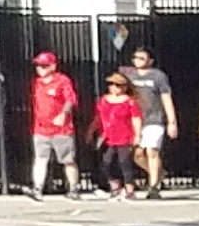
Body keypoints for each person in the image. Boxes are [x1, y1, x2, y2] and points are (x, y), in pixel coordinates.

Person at [29, 47, 83, 200]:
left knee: (68, 160)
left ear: (53, 66)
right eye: (38, 65)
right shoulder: (36, 83)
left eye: (44, 66)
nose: (40, 69)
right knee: (40, 159)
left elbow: (70, 100)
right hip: (40, 128)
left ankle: (73, 188)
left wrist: (63, 114)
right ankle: (37, 188)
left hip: (61, 130)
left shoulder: (62, 81)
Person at [126, 41, 178, 198]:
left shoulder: (158, 76)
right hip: (136, 120)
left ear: (150, 61)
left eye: (141, 58)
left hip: (154, 119)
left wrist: (171, 121)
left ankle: (153, 186)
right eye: (135, 58)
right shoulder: (130, 76)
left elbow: (166, 98)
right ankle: (159, 173)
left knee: (152, 151)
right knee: (138, 155)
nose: (137, 61)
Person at [91, 68, 142, 197]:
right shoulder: (103, 100)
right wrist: (91, 131)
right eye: (111, 84)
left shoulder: (130, 102)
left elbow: (136, 118)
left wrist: (137, 135)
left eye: (117, 85)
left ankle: (130, 190)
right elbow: (98, 118)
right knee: (106, 163)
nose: (114, 87)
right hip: (108, 137)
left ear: (125, 87)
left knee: (125, 163)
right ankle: (115, 187)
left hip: (124, 137)